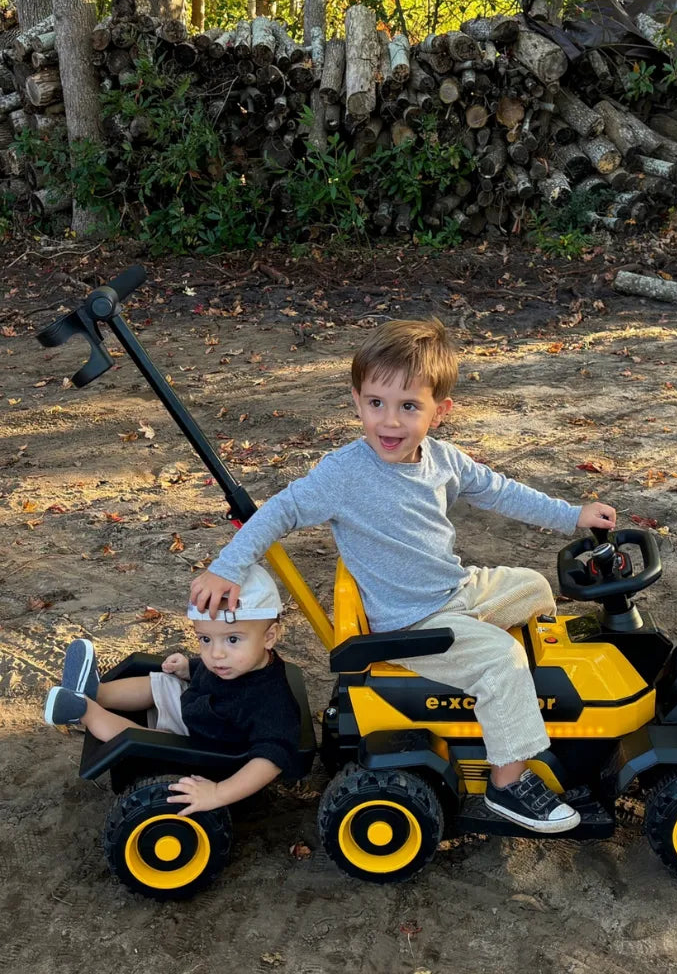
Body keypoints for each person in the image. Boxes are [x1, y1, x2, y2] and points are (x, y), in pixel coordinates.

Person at [189, 319, 616, 833]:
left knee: (534, 586)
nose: (389, 422)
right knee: (502, 660)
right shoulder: (343, 474)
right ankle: (508, 784)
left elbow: (502, 492)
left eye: (409, 406)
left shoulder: (444, 461)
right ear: (356, 400)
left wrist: (573, 514)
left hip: (452, 592)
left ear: (440, 412)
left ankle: (506, 680)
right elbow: (281, 511)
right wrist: (227, 565)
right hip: (408, 623)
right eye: (376, 403)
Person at [44, 563, 303, 816]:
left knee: (138, 738)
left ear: (270, 637)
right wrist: (189, 668)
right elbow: (208, 669)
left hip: (202, 746)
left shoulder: (271, 701)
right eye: (205, 639)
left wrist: (218, 792)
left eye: (233, 639)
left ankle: (83, 710)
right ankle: (97, 692)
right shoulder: (236, 663)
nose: (216, 654)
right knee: (160, 681)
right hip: (198, 709)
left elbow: (270, 761)